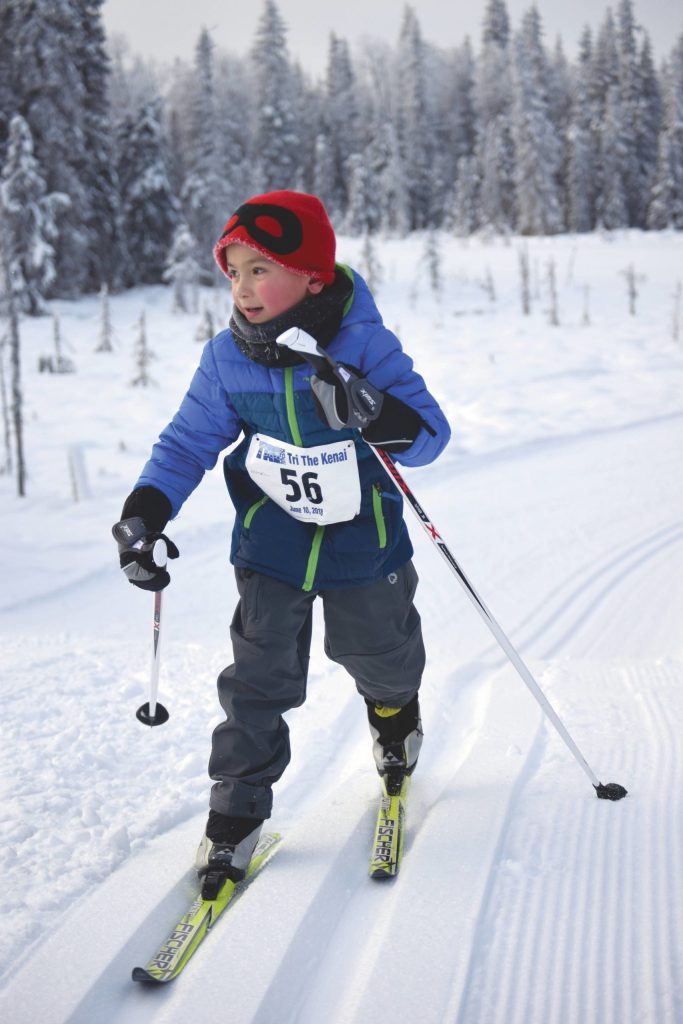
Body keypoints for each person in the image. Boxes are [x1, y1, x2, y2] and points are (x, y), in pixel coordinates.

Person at [112, 190, 450, 884]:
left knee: (380, 655)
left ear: (312, 277)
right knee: (257, 683)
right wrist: (144, 514)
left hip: (365, 541)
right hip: (271, 546)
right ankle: (234, 816)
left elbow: (427, 439)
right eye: (232, 271)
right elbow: (185, 445)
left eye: (260, 269)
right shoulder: (226, 359)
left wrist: (370, 405)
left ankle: (394, 722)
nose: (242, 287)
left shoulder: (362, 346)